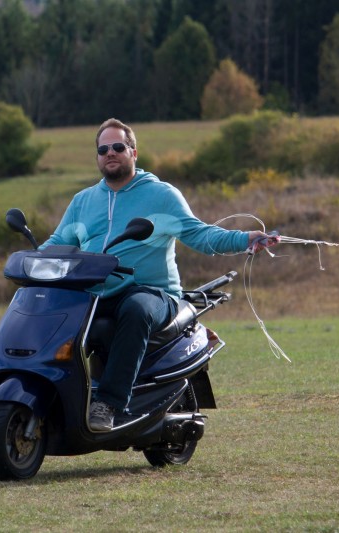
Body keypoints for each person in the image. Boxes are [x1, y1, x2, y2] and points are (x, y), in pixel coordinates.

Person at [40, 118, 278, 431]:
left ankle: (108, 404)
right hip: (96, 294)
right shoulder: (83, 201)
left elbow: (200, 235)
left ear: (133, 152)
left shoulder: (161, 195)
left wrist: (244, 239)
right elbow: (58, 243)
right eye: (103, 149)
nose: (110, 153)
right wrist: (30, 259)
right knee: (54, 311)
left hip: (152, 294)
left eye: (118, 147)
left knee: (135, 308)